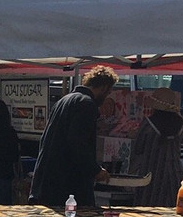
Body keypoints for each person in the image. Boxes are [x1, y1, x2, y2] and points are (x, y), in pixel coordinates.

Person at [28, 65, 118, 207]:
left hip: (47, 182)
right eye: (107, 93)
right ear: (104, 88)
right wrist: (95, 170)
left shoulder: (63, 100)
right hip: (65, 186)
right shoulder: (87, 104)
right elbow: (77, 143)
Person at [128, 87, 183, 206]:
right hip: (174, 172)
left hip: (151, 174)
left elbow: (138, 147)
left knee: (148, 209)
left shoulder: (148, 123)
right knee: (173, 209)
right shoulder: (181, 122)